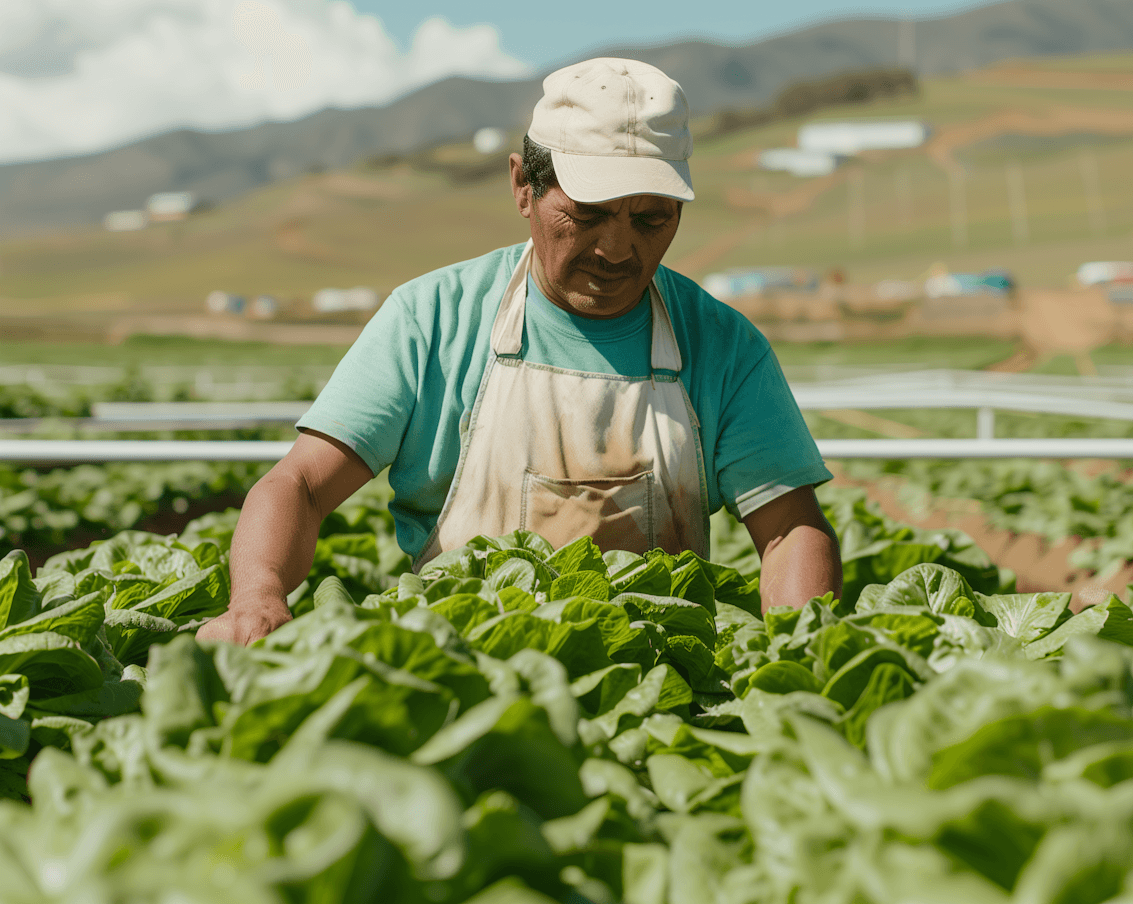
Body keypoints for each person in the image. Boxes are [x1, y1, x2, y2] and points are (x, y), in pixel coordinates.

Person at [197, 57, 841, 646]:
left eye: (651, 219)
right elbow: (300, 485)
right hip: (459, 667)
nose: (617, 249)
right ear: (523, 187)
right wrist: (257, 597)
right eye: (587, 214)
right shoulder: (431, 320)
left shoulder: (724, 346)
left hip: (655, 670)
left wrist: (801, 651)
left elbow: (789, 531)